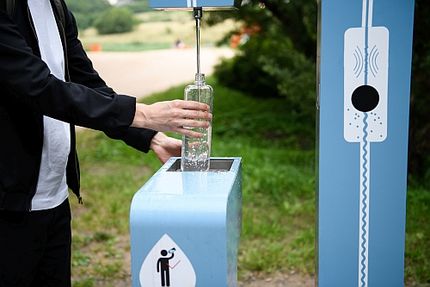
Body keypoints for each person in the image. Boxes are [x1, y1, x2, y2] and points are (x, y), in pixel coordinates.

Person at [0, 0, 212, 286]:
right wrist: (145, 113)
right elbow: (39, 88)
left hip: (55, 200)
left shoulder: (56, 8)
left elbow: (87, 85)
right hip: (8, 206)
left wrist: (150, 136)